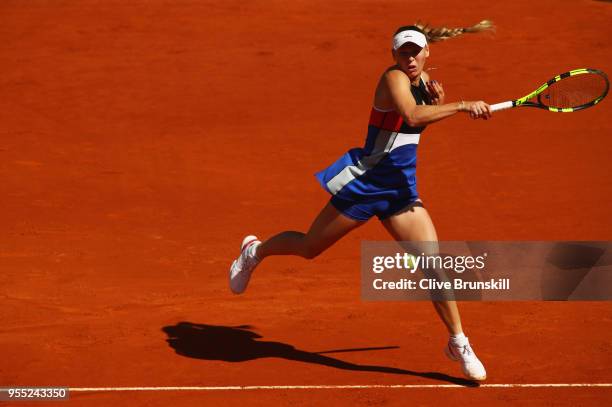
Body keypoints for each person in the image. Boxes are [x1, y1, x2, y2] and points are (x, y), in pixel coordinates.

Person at [229, 21, 494, 382]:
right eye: (404, 52)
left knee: (433, 264)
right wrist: (462, 105)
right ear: (393, 55)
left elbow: (411, 128)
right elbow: (413, 116)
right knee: (309, 247)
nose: (411, 58)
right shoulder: (394, 79)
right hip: (367, 185)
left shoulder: (423, 83)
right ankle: (255, 252)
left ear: (427, 51)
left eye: (416, 51)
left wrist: (440, 104)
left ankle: (458, 342)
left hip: (400, 190)